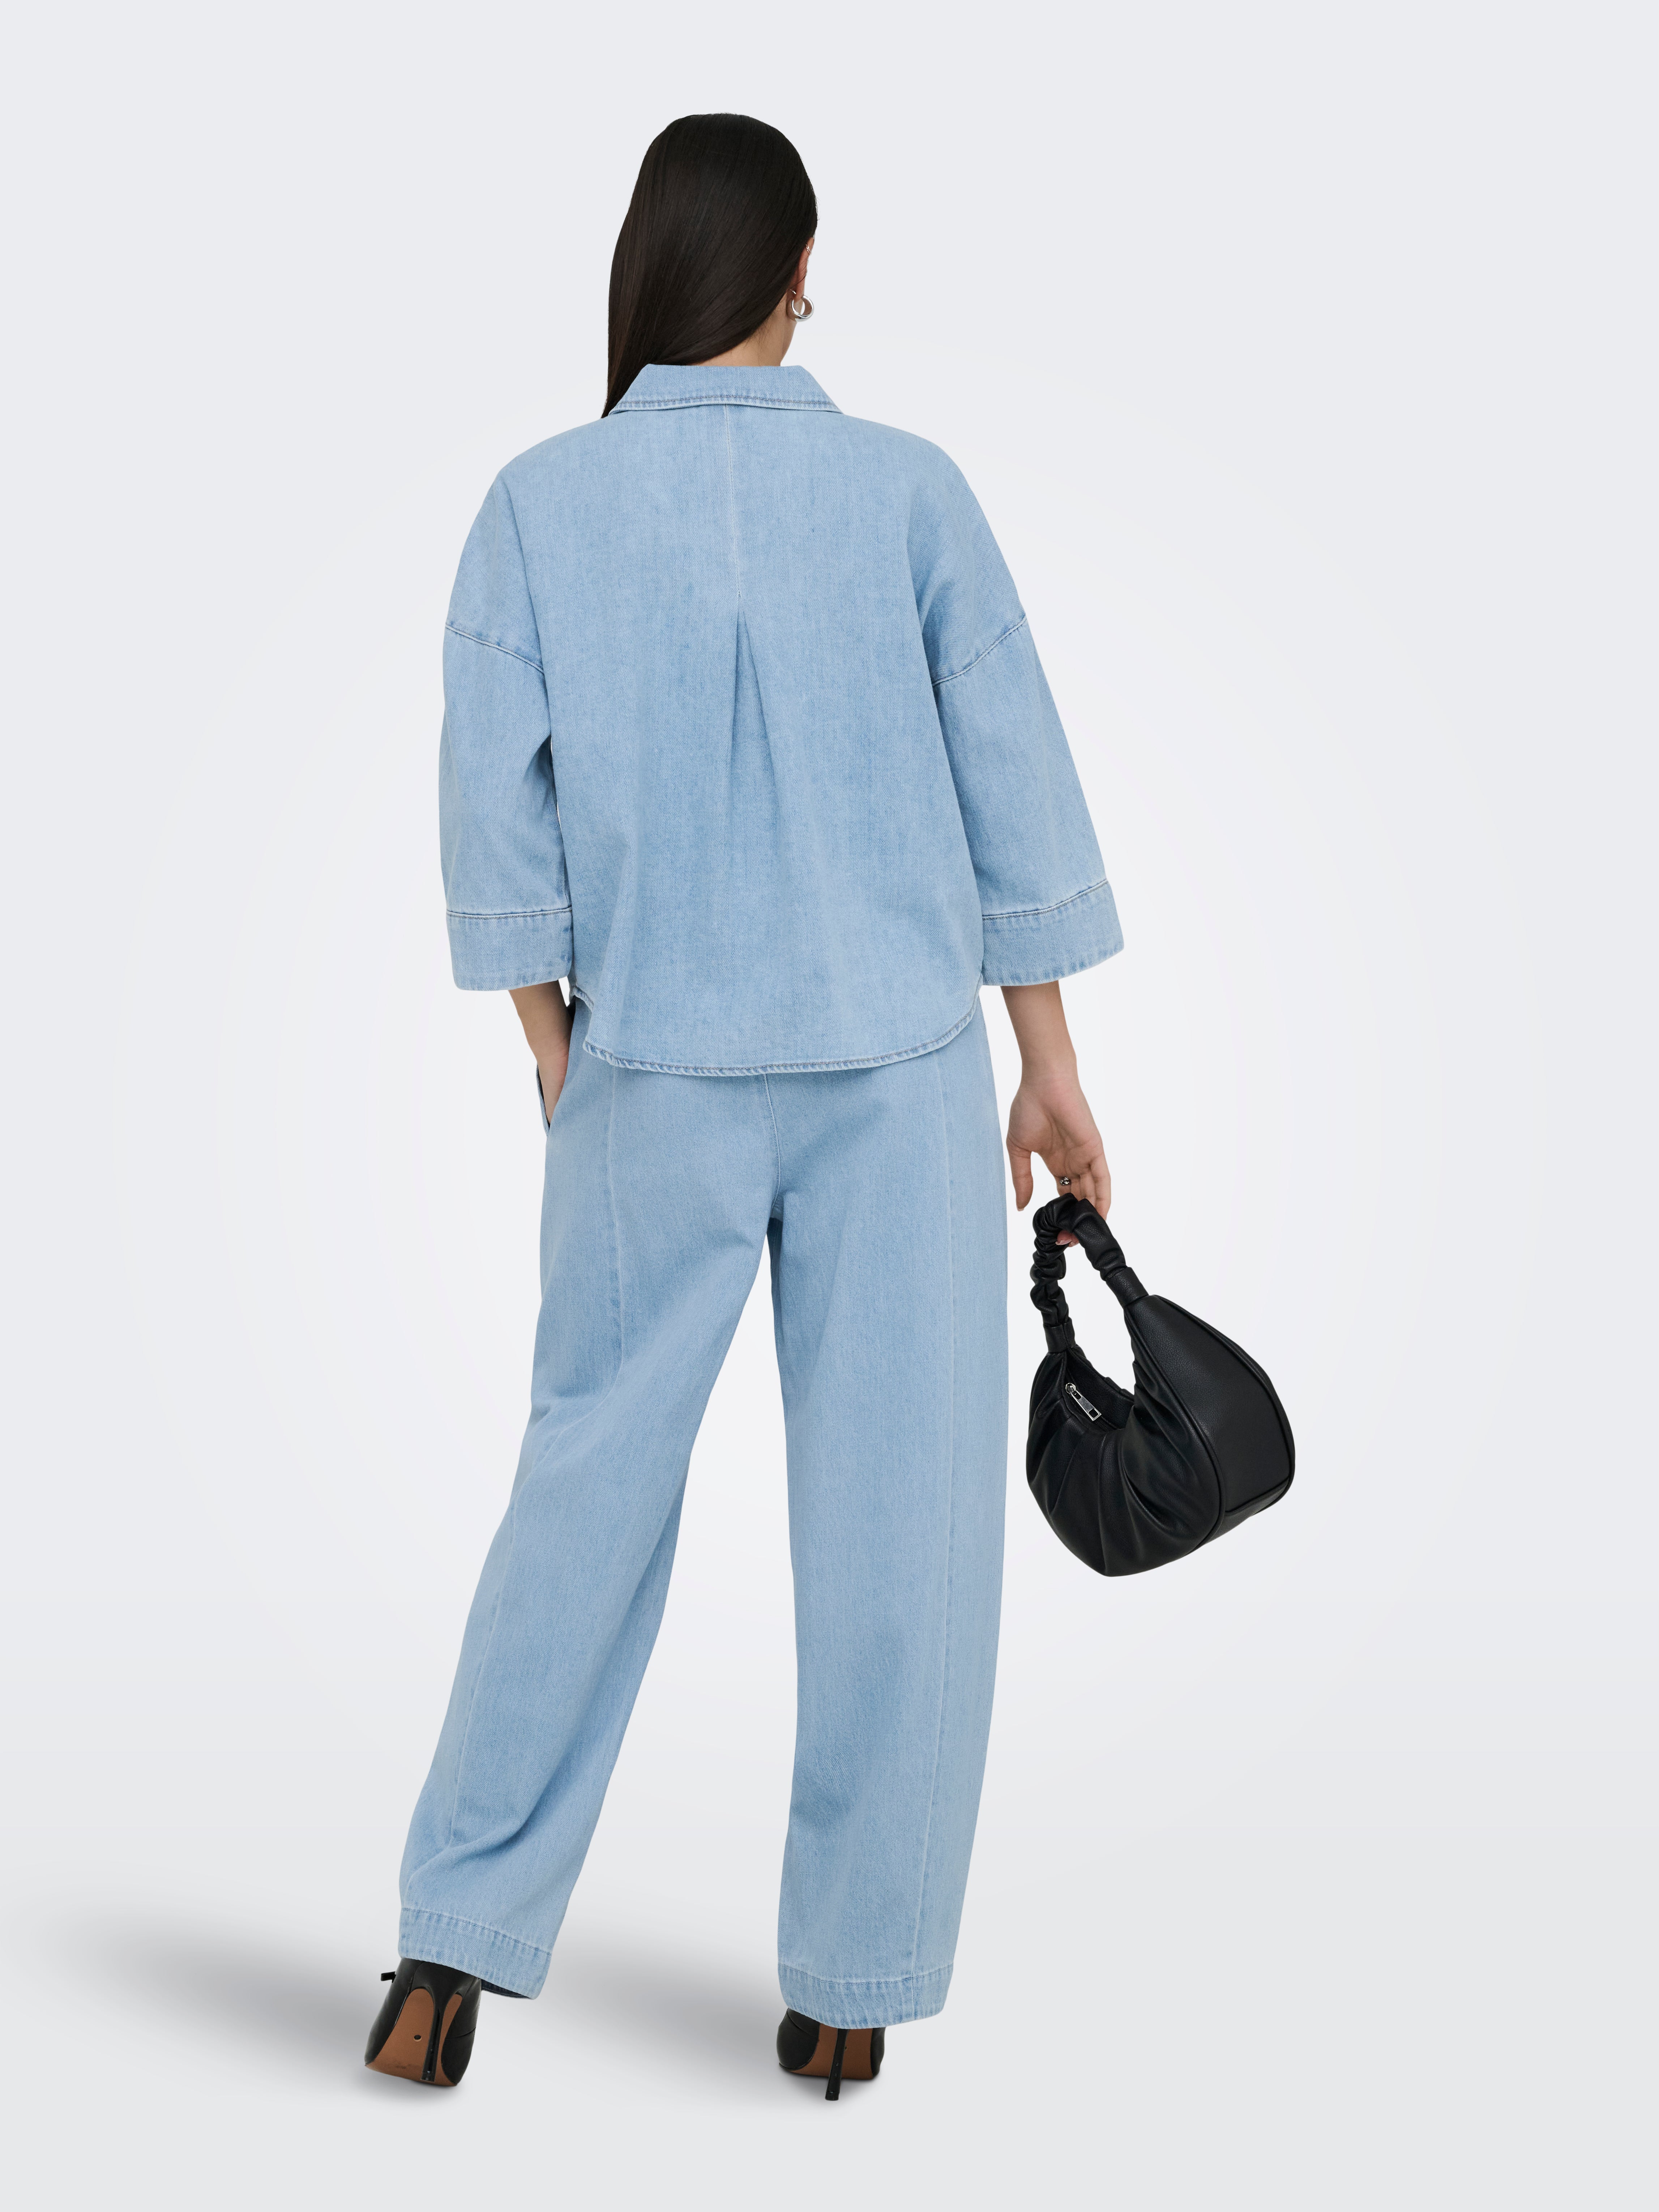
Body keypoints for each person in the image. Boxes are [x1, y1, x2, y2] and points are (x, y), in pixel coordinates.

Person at [365, 111, 1120, 2099]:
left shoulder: (538, 502)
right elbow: (1010, 774)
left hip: (652, 1076)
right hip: (898, 1079)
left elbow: (491, 809)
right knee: (901, 1525)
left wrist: (553, 1038)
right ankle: (850, 1985)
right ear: (797, 277)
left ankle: (447, 1949)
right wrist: (1047, 1065)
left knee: (583, 1491)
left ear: (651, 269)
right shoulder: (911, 491)